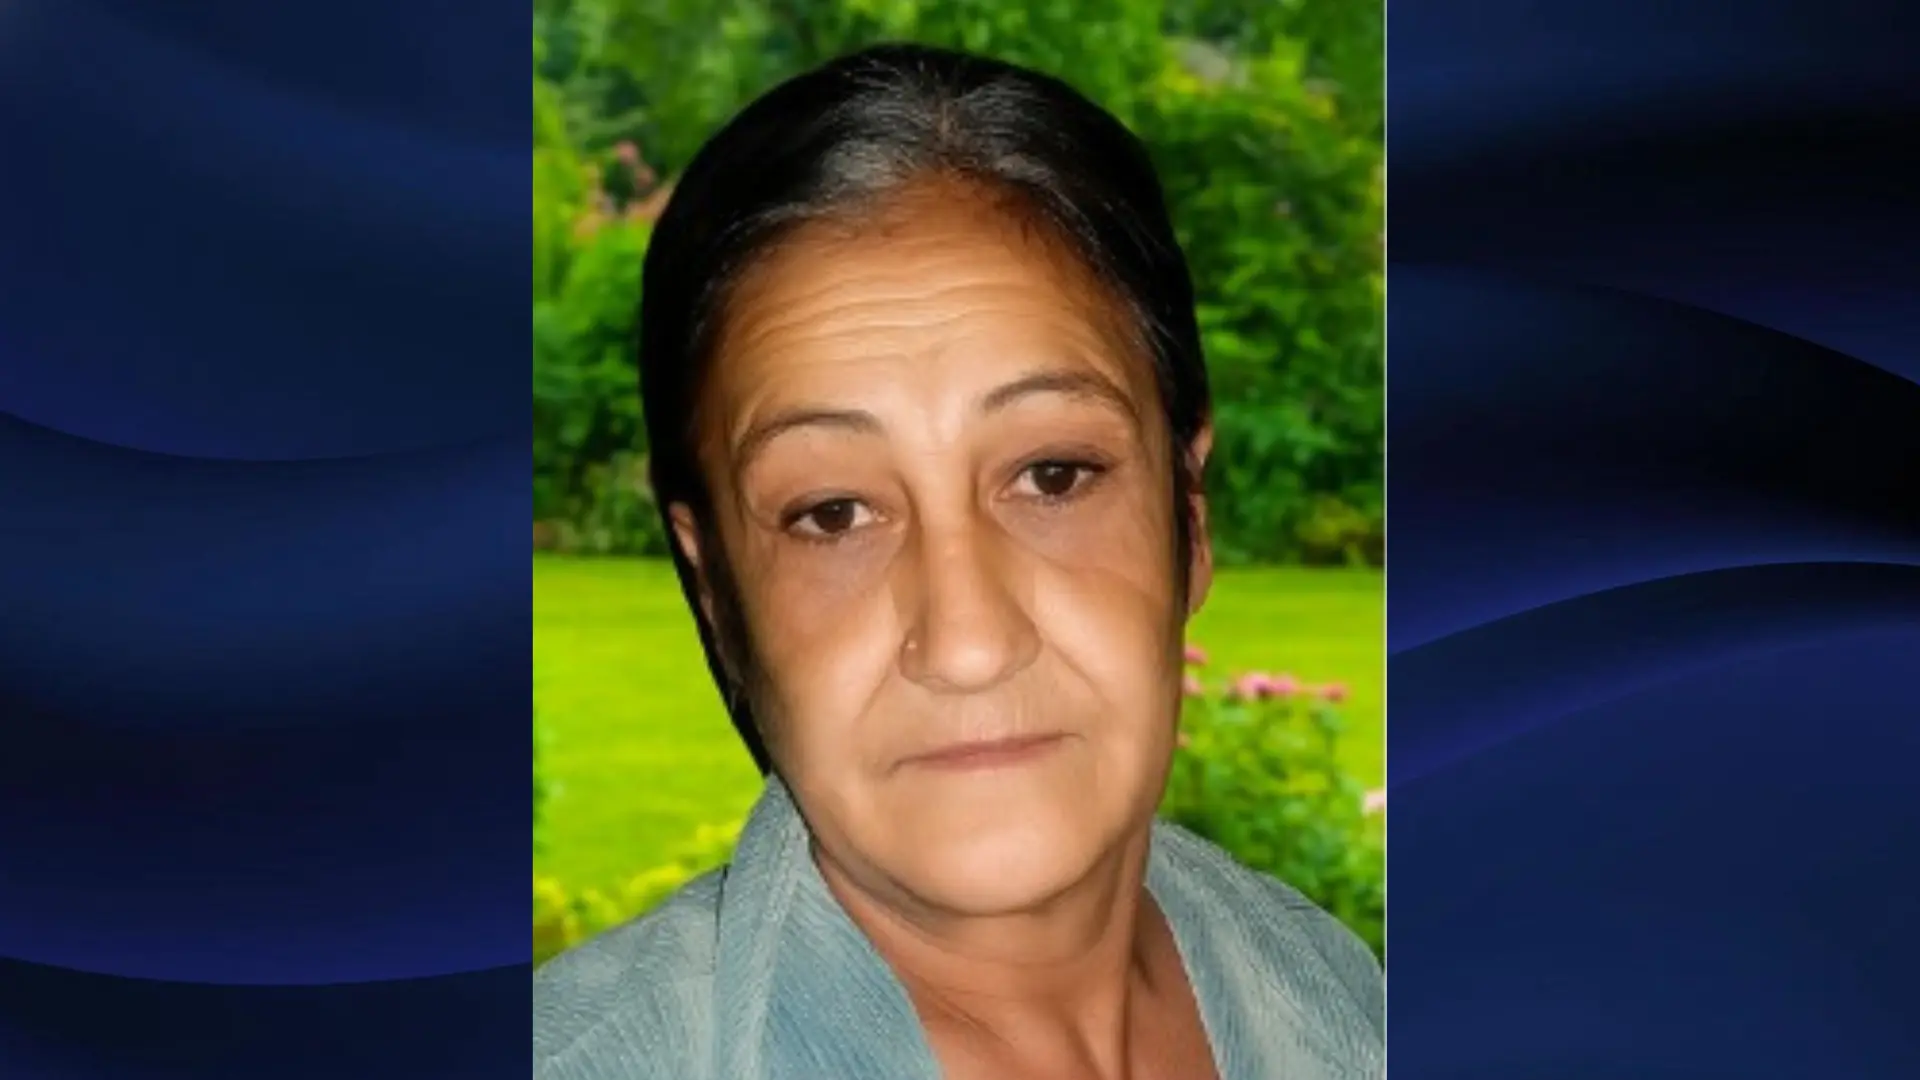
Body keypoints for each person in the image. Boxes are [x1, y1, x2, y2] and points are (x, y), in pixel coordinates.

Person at [533, 42, 1385, 1080]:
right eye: (834, 513)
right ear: (717, 597)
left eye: (1054, 476)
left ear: (1189, 517)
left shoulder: (1339, 994)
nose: (969, 642)